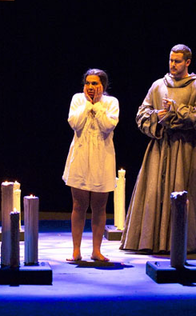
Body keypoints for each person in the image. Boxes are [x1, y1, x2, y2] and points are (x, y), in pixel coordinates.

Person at [121, 44, 196, 253]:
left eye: (177, 61)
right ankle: (151, 240)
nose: (172, 64)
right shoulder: (157, 85)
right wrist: (156, 117)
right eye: (171, 60)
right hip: (159, 147)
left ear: (188, 62)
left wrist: (177, 111)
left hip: (184, 148)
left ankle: (180, 241)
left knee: (181, 187)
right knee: (154, 190)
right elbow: (141, 114)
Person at [62, 69, 119, 262]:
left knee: (99, 206)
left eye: (95, 83)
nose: (91, 87)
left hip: (102, 157)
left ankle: (96, 250)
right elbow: (75, 124)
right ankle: (76, 250)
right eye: (88, 83)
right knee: (78, 205)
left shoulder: (111, 102)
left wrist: (98, 106)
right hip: (81, 155)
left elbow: (107, 126)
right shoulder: (78, 100)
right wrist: (89, 105)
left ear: (103, 85)